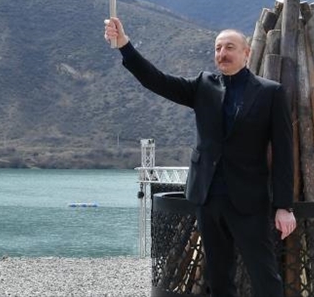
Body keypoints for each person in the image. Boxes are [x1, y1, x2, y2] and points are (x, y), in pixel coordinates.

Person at [104, 17, 296, 297]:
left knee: (264, 275)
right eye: (218, 48)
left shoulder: (270, 92)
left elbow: (283, 152)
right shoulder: (204, 86)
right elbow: (156, 80)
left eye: (229, 47)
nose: (222, 54)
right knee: (218, 277)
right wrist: (124, 45)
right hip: (208, 198)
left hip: (250, 200)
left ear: (247, 53)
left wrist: (284, 206)